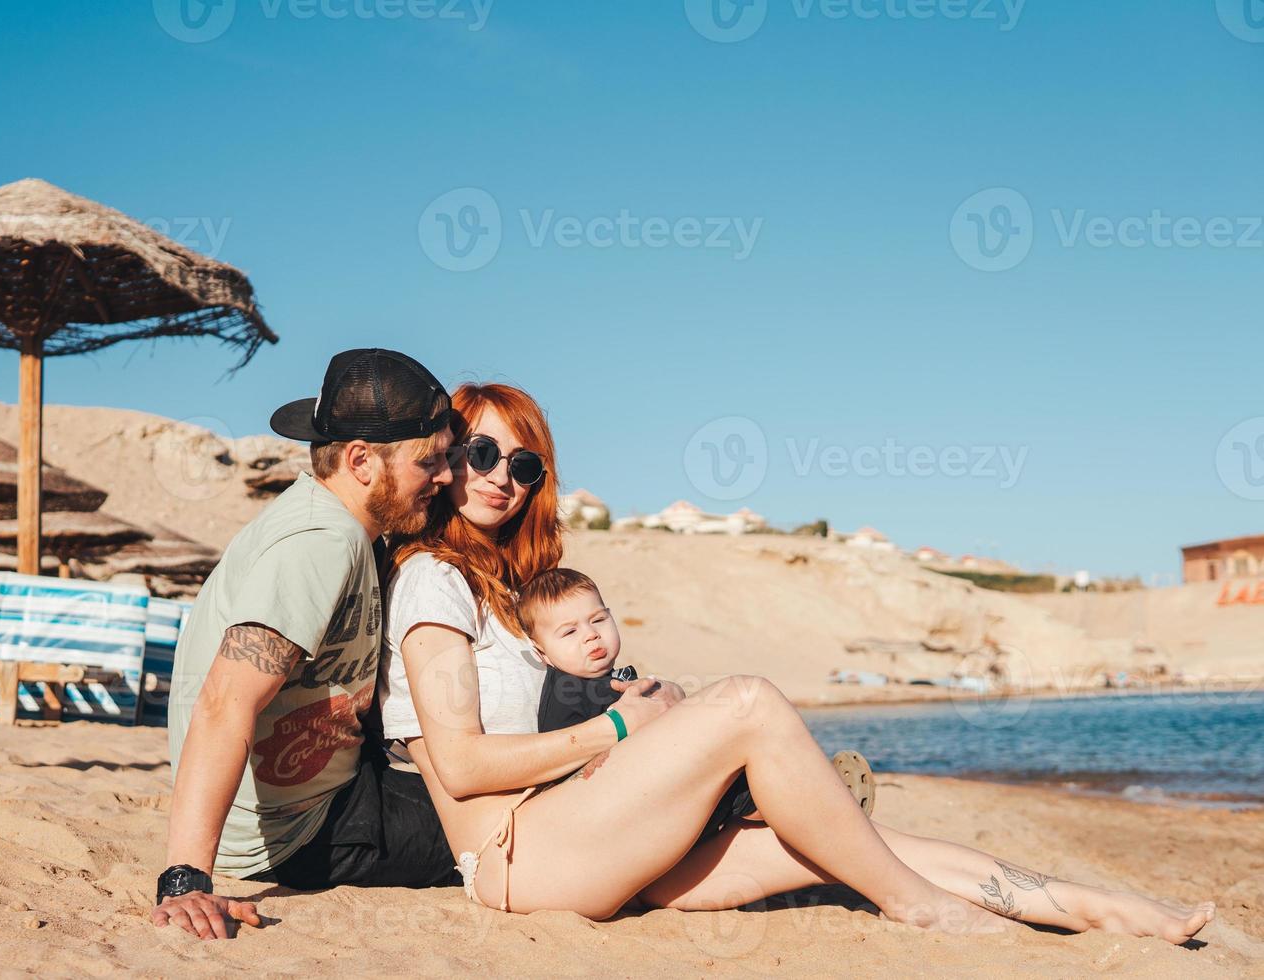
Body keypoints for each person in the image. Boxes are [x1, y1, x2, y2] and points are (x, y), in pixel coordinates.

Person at [378, 380, 1215, 943]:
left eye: (523, 465)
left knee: (841, 839)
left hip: (594, 834)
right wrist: (622, 726)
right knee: (746, 702)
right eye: (480, 454)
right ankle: (914, 907)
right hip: (516, 859)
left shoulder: (518, 592)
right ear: (447, 459)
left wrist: (632, 708)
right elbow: (457, 766)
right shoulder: (433, 583)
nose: (501, 478)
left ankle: (1091, 905)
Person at [152, 349, 461, 941]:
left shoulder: (344, 526)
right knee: (500, 825)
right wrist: (185, 879)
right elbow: (224, 701)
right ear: (361, 460)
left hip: (332, 788)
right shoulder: (321, 542)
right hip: (299, 832)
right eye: (430, 462)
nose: (445, 476)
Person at [519, 565, 875, 818]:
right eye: (569, 632)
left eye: (598, 620)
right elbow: (566, 764)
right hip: (629, 806)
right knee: (739, 786)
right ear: (542, 653)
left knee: (741, 768)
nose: (590, 635)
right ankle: (820, 804)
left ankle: (811, 798)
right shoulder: (567, 691)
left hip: (657, 791)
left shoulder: (608, 679)